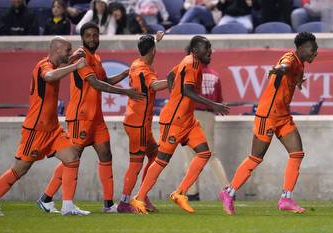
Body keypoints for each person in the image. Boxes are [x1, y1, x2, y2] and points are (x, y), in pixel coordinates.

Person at [37, 22, 144, 214]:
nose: (93, 39)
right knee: (72, 158)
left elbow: (105, 81)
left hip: (96, 120)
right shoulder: (81, 57)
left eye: (95, 35)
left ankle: (108, 204)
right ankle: (46, 197)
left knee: (106, 155)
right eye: (89, 36)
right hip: (81, 117)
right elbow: (95, 84)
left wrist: (127, 72)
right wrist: (126, 92)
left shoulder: (96, 57)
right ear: (82, 38)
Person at [220, 32, 318, 215]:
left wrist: (298, 82)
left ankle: (285, 199)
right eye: (313, 49)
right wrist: (279, 69)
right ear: (302, 48)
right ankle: (229, 193)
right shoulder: (289, 58)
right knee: (256, 157)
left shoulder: (300, 65)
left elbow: (292, 75)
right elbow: (283, 66)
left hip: (283, 116)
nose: (316, 52)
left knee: (297, 153)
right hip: (268, 115)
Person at [0, 37, 90, 216]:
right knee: (20, 169)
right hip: (36, 130)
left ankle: (67, 206)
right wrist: (75, 65)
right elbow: (49, 76)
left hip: (53, 129)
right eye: (67, 50)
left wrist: (74, 56)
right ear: (57, 49)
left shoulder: (54, 63)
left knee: (72, 157)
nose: (69, 53)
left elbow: (61, 65)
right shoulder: (43, 66)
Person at [130, 35, 230, 214]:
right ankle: (138, 198)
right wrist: (213, 104)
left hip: (188, 120)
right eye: (205, 48)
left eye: (210, 48)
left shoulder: (190, 61)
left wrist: (174, 94)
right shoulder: (191, 63)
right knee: (162, 160)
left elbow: (170, 75)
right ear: (195, 51)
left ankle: (180, 193)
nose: (209, 52)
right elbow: (187, 90)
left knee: (204, 153)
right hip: (174, 121)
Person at [117, 32, 167, 213]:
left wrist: (156, 39)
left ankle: (142, 195)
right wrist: (176, 78)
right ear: (153, 51)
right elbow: (155, 85)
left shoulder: (138, 63)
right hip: (138, 124)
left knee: (155, 155)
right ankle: (123, 202)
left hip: (139, 121)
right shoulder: (143, 69)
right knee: (136, 163)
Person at [181, 46, 229, 201]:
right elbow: (219, 100)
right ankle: (227, 189)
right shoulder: (215, 75)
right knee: (212, 155)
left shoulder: (191, 72)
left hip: (191, 114)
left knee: (190, 155)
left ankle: (192, 192)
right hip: (208, 116)